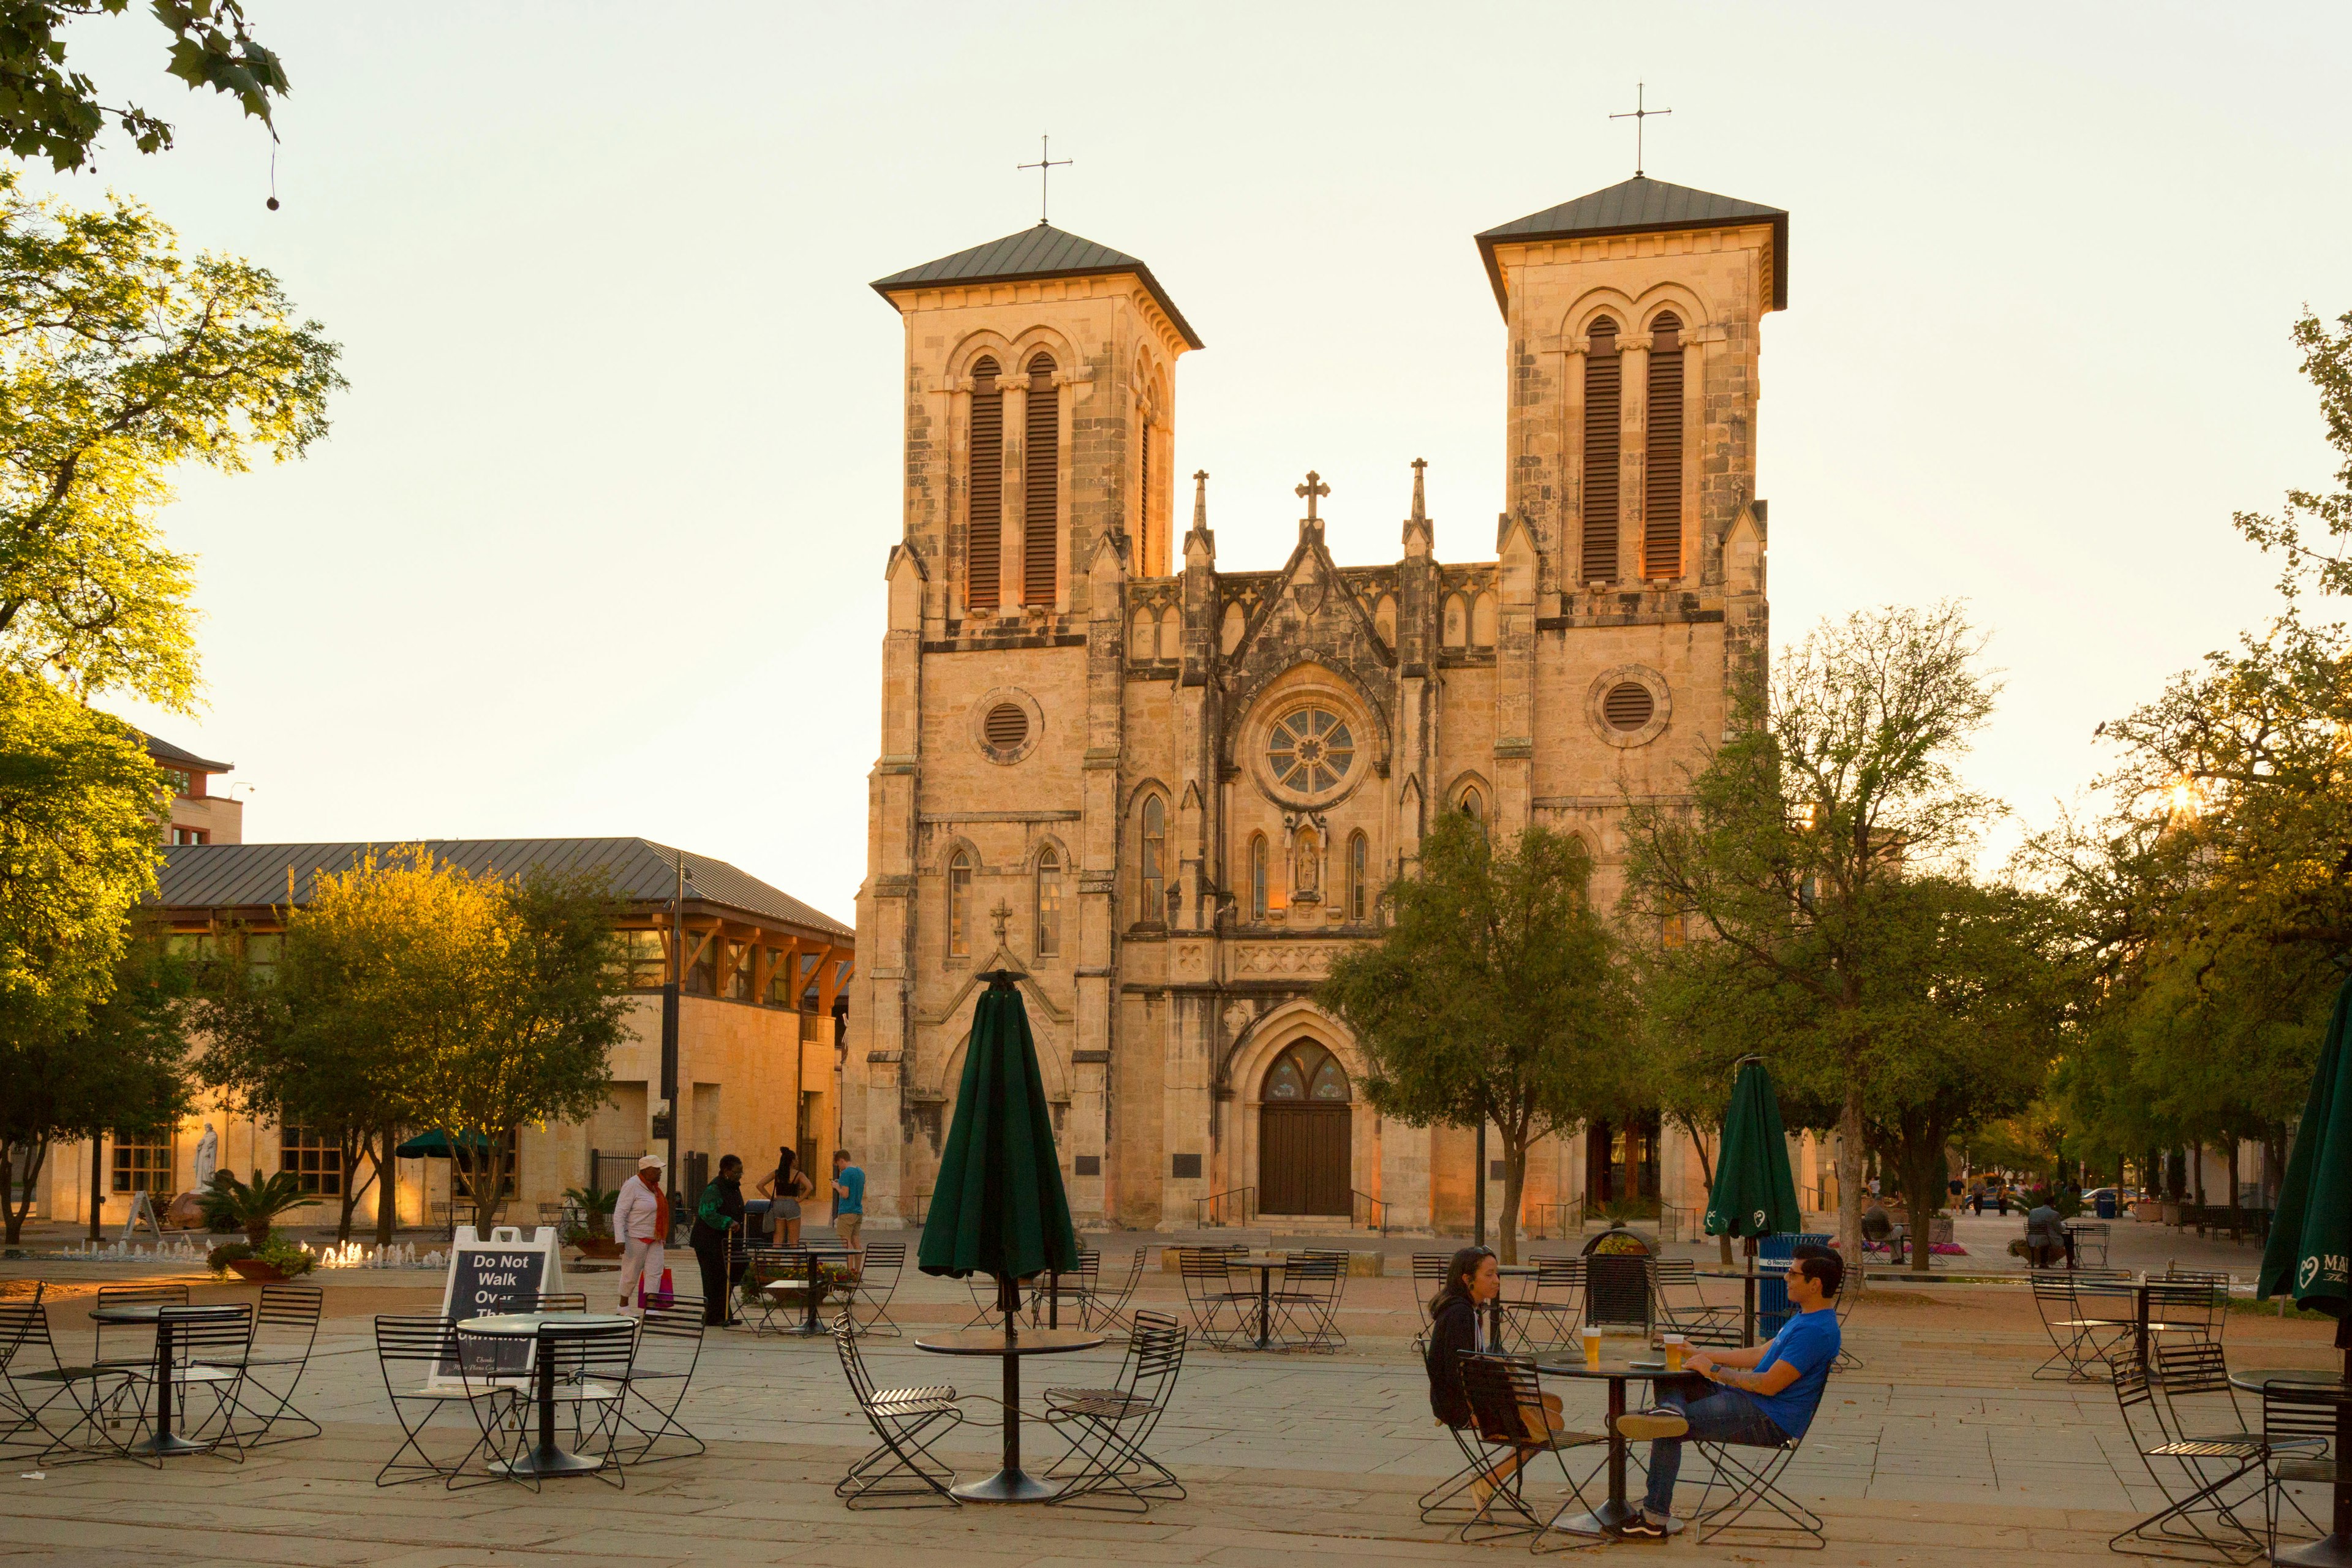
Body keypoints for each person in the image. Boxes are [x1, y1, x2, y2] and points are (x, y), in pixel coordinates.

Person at [1613, 1246, 1843, 1538]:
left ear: (1815, 1284)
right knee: (1673, 1371)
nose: (1785, 1278)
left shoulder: (1816, 1331)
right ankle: (1670, 1411)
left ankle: (1653, 1519)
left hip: (1770, 1419)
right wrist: (1701, 1355)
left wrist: (1714, 1371)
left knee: (1668, 1429)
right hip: (1752, 1403)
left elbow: (1769, 1384)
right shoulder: (1805, 1317)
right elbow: (1760, 1354)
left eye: (1793, 1273)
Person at [1422, 1246, 1564, 1498]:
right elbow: (1455, 1371)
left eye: (1496, 1274)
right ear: (1467, 1280)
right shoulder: (1460, 1314)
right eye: (1489, 1275)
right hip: (1461, 1404)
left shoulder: (1466, 1309)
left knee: (1555, 1403)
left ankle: (1488, 1479)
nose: (1496, 1281)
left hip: (1463, 1397)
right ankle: (1489, 1480)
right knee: (1553, 1425)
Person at [690, 1154, 747, 1327]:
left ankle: (723, 1311)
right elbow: (707, 1213)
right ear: (726, 1171)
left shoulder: (733, 1187)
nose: (740, 1175)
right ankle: (713, 1315)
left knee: (733, 1272)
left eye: (741, 1172)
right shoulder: (715, 1188)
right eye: (737, 1172)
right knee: (713, 1278)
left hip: (727, 1242)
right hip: (709, 1242)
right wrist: (727, 1222)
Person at [612, 1153, 669, 1312]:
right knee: (631, 1274)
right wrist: (620, 1239)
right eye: (656, 1169)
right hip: (635, 1238)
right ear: (646, 1170)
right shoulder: (632, 1185)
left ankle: (651, 1306)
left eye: (660, 1169)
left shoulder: (654, 1188)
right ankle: (623, 1305)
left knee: (655, 1272)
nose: (660, 1172)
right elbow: (620, 1213)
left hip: (655, 1238)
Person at [758, 1145, 812, 1247]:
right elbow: (810, 1187)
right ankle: (795, 1263)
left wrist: (771, 1197)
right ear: (792, 1161)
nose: (797, 1161)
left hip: (778, 1204)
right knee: (793, 1240)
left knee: (778, 1238)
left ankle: (775, 1263)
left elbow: (760, 1185)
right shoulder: (798, 1174)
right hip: (792, 1204)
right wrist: (800, 1199)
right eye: (796, 1160)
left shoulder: (777, 1173)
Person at [832, 1148, 865, 1254]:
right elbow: (854, 1187)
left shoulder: (846, 1173)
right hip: (857, 1211)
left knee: (846, 1243)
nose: (839, 1168)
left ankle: (850, 1269)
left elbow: (845, 1194)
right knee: (856, 1242)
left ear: (841, 1160)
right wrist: (841, 1183)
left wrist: (837, 1187)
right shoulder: (860, 1172)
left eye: (838, 1164)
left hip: (846, 1212)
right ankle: (857, 1269)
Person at [2025, 1199, 2068, 1268]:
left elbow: (2029, 1225)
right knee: (2069, 1240)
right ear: (2052, 1204)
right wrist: (2064, 1225)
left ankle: (2043, 1263)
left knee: (2044, 1239)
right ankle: (2070, 1263)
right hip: (2048, 1238)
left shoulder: (2033, 1211)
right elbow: (2060, 1230)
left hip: (2033, 1238)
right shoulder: (2054, 1214)